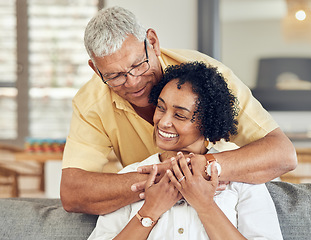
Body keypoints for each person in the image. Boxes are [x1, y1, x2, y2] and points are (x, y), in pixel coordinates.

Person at [60, 6, 297, 215]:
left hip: (231, 199)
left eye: (137, 65)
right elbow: (72, 192)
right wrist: (169, 178)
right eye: (115, 76)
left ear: (152, 42)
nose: (132, 82)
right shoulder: (90, 102)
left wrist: (201, 167)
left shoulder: (209, 76)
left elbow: (282, 153)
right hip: (156, 208)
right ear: (95, 69)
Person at [88, 61, 283, 240]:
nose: (163, 122)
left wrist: (204, 205)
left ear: (206, 123)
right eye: (161, 108)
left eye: (180, 115)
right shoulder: (132, 177)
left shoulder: (241, 179)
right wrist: (150, 210)